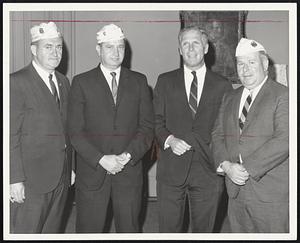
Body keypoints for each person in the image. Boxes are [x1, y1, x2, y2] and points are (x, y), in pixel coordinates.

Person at [67, 23, 154, 233]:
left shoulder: (139, 81)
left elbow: (147, 128)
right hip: (93, 173)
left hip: (129, 173)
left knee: (129, 230)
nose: (116, 53)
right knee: (90, 230)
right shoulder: (81, 82)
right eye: (109, 47)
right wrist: (101, 159)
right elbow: (75, 132)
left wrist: (128, 155)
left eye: (120, 47)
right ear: (98, 50)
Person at [153, 26, 232, 232]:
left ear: (206, 48)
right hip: (171, 171)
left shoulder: (222, 85)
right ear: (179, 50)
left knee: (204, 232)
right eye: (185, 44)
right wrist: (170, 139)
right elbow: (155, 120)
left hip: (208, 172)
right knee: (168, 231)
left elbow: (225, 129)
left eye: (195, 43)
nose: (190, 48)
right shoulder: (165, 80)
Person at [211, 38, 289, 232]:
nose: (245, 69)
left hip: (271, 195)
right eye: (240, 64)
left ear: (264, 64)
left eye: (251, 63)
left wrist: (246, 168)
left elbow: (285, 139)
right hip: (236, 193)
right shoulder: (230, 97)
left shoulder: (283, 95)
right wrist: (227, 166)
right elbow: (217, 135)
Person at [10, 22, 73, 233]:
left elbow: (66, 129)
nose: (56, 53)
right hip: (30, 182)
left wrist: (71, 167)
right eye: (48, 47)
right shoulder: (16, 82)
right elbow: (10, 135)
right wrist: (14, 179)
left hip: (61, 178)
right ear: (33, 50)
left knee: (51, 233)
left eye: (59, 47)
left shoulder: (64, 82)